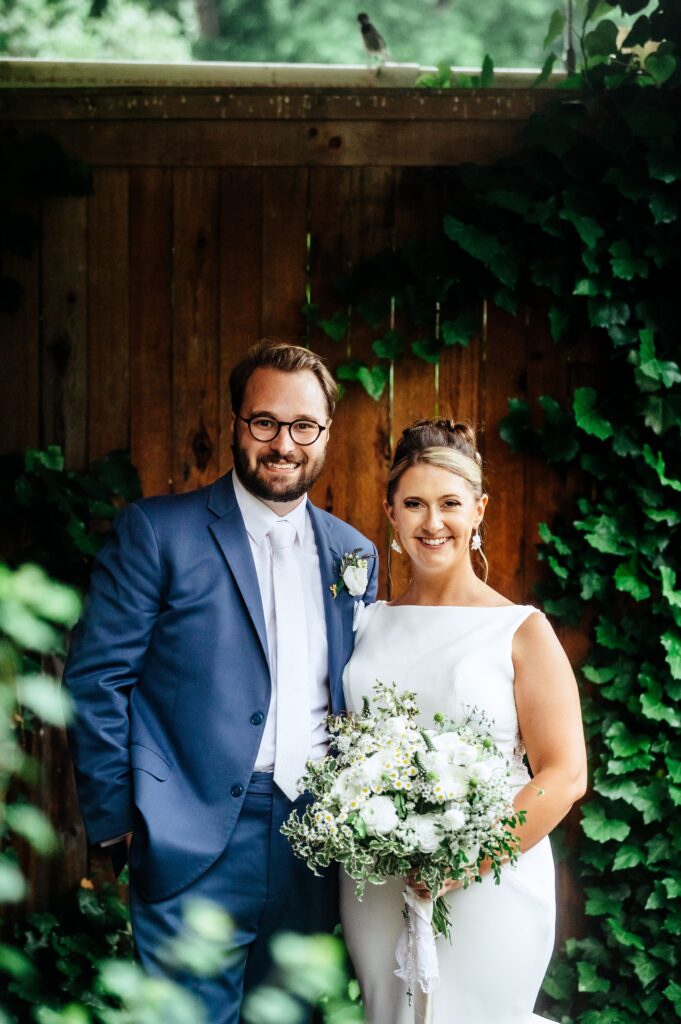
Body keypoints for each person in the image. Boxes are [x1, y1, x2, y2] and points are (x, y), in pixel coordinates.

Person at [63, 339, 379, 1024]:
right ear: (236, 423)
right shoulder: (158, 531)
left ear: (325, 435)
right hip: (188, 837)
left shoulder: (354, 553)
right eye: (264, 422)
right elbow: (96, 680)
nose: (283, 443)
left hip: (314, 842)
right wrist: (119, 822)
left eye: (303, 427)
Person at [340, 418, 587, 1024]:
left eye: (450, 503)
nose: (432, 522)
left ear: (478, 510)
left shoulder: (519, 629)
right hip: (376, 883)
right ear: (390, 511)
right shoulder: (364, 623)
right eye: (415, 503)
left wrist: (467, 862)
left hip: (489, 882)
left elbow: (565, 773)